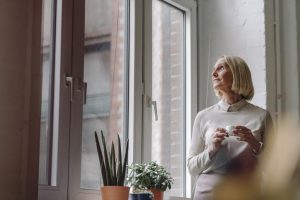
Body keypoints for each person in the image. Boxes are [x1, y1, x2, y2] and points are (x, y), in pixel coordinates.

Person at [187, 55, 273, 200]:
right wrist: (211, 149)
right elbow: (191, 167)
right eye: (214, 69)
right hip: (207, 194)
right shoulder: (203, 116)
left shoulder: (261, 116)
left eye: (220, 68)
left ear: (238, 73)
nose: (213, 74)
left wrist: (255, 145)